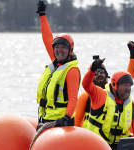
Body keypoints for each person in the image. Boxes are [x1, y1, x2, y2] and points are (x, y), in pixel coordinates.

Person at [82, 56, 134, 150]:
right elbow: (86, 85)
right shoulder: (101, 95)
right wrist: (92, 70)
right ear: (115, 85)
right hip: (97, 144)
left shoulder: (131, 105)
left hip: (119, 146)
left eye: (129, 86)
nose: (128, 89)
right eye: (124, 85)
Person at [36, 0, 80, 128]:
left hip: (60, 123)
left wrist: (66, 117)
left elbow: (73, 99)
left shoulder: (72, 70)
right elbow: (47, 38)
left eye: (63, 48)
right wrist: (42, 15)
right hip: (45, 119)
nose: (59, 50)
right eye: (56, 47)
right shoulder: (56, 63)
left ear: (70, 51)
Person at [74, 41, 134, 129]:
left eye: (101, 72)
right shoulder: (85, 96)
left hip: (110, 135)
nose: (99, 75)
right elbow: (77, 121)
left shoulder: (113, 91)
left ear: (107, 74)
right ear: (91, 76)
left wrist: (133, 55)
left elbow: (128, 77)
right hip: (91, 135)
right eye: (95, 73)